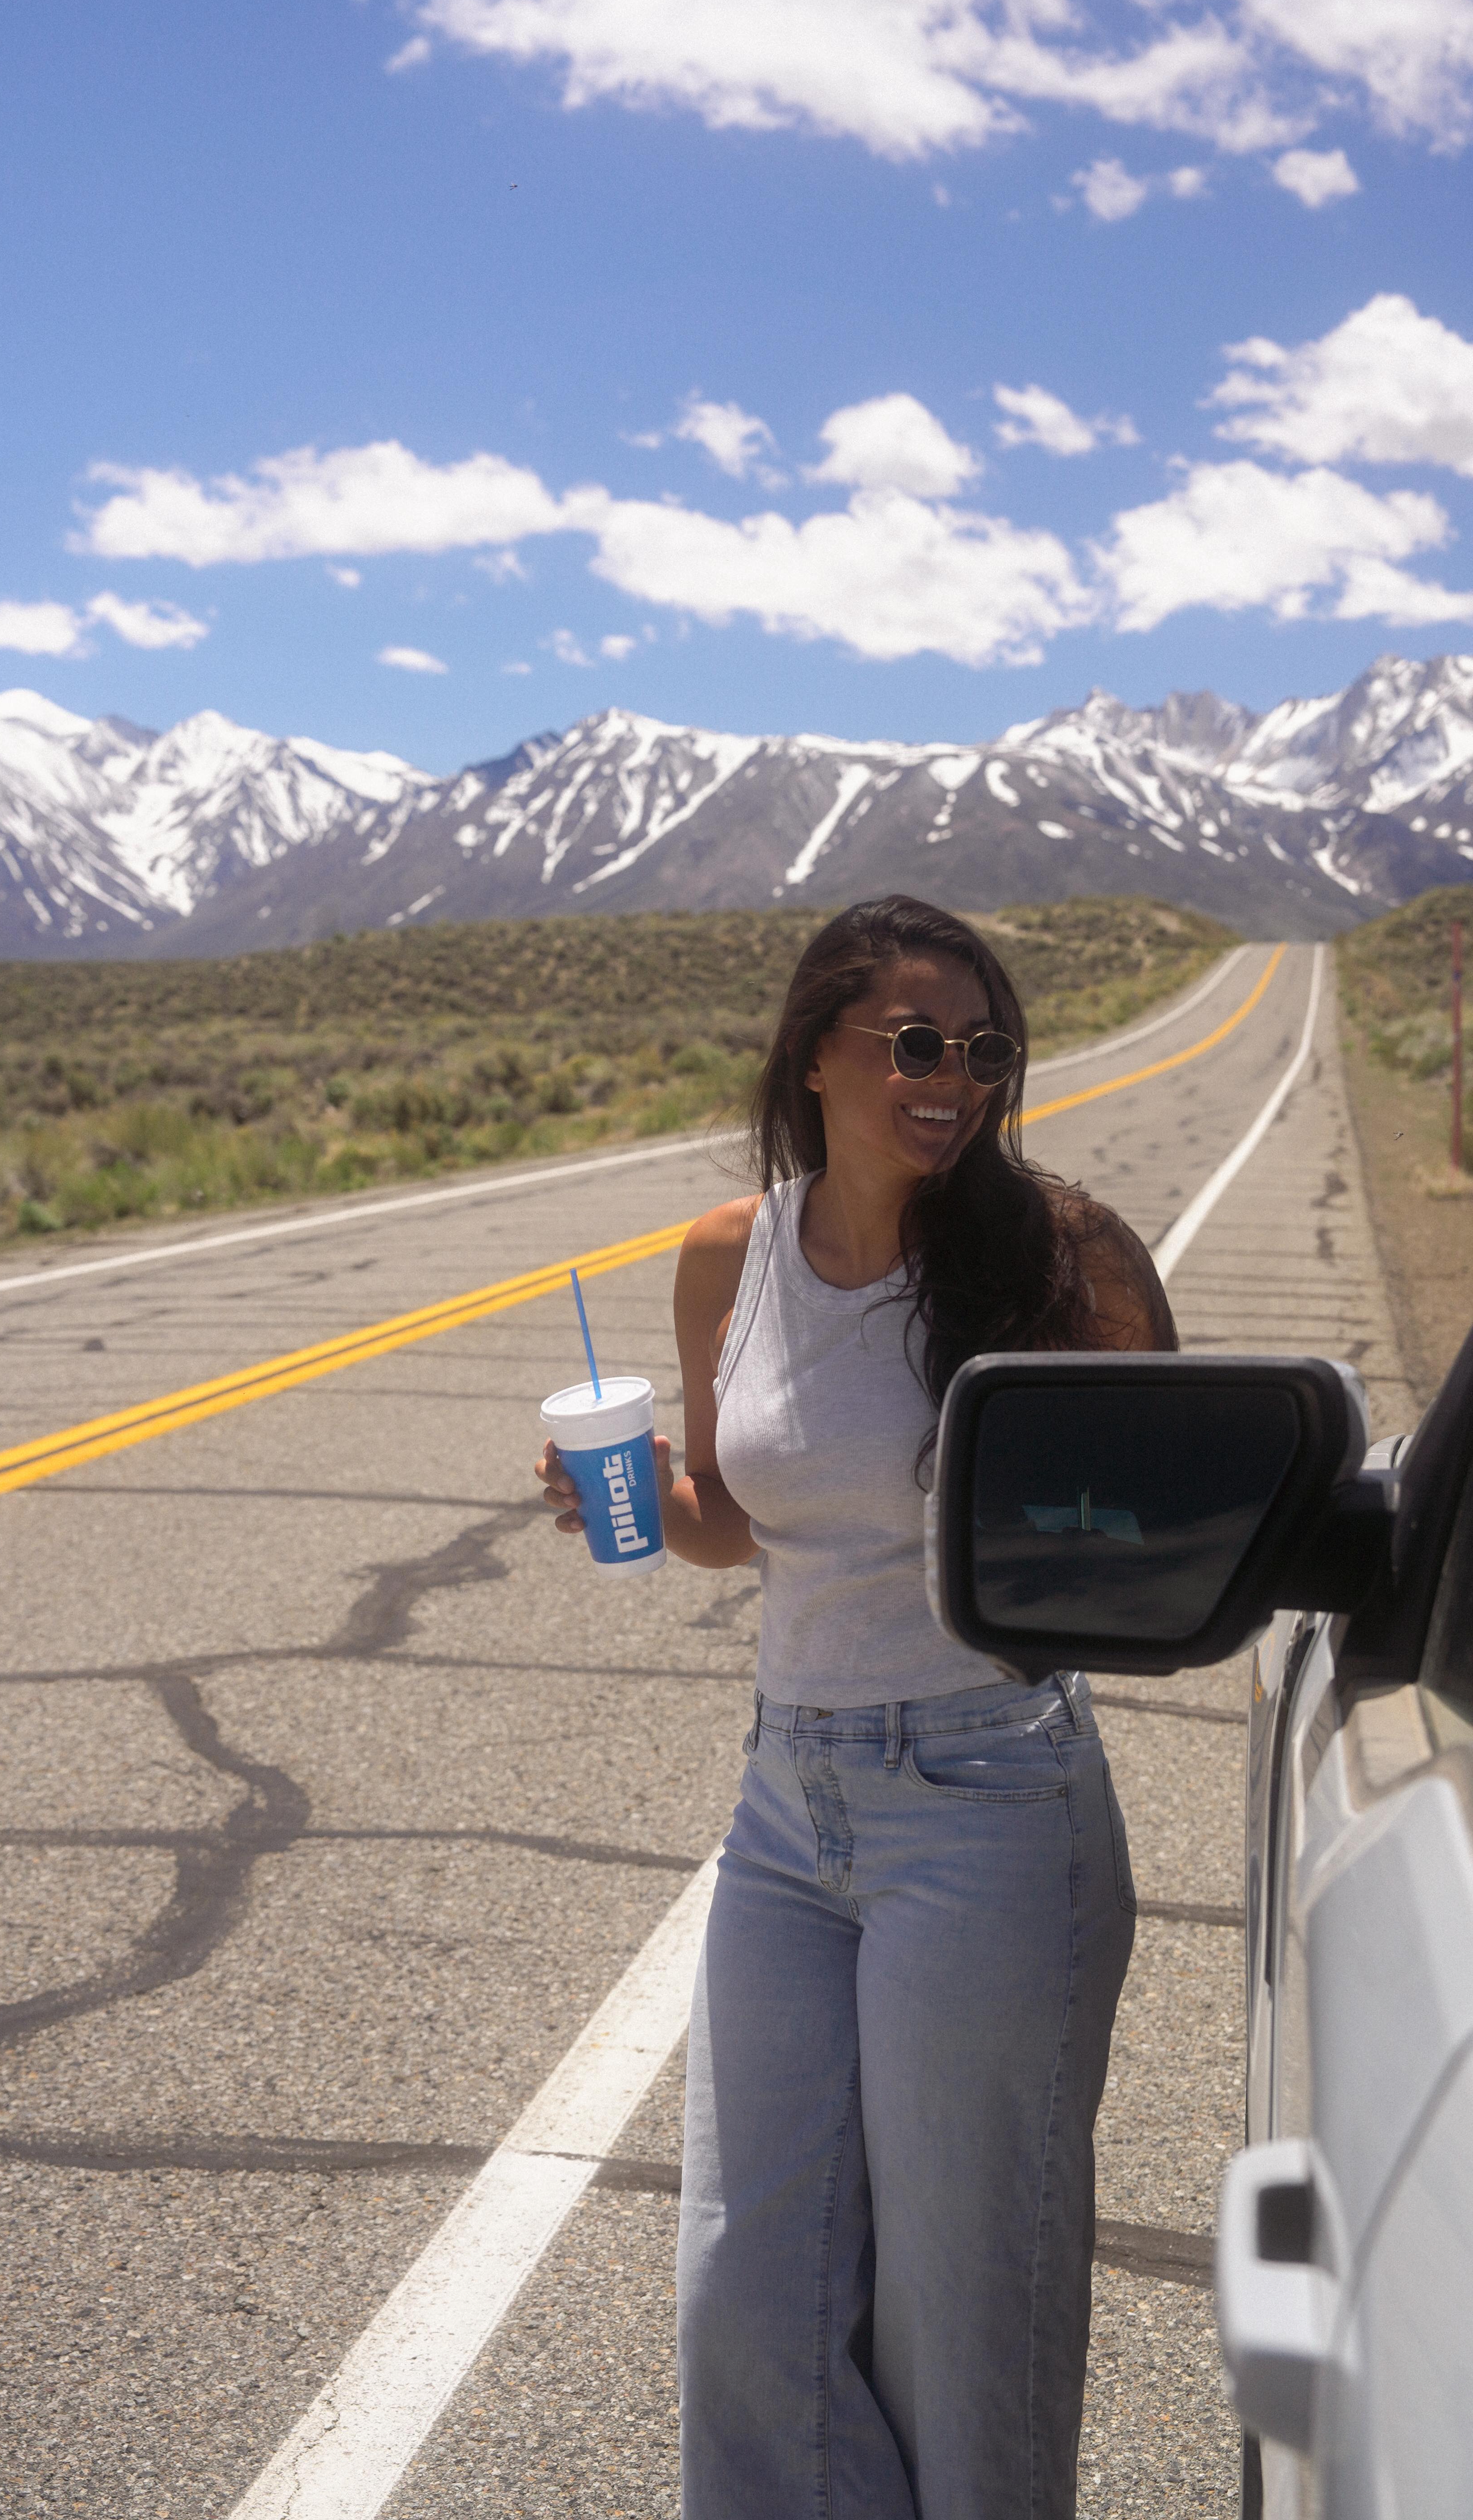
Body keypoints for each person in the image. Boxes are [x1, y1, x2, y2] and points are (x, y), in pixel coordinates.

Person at [536, 894, 1174, 2519]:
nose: (952, 1079)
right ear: (817, 1054)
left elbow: (1164, 1509)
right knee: (746, 2298)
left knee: (964, 2311)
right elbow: (735, 1522)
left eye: (982, 1050)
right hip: (786, 1807)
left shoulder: (1060, 1255)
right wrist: (626, 1494)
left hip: (991, 1795)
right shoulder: (727, 1258)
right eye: (916, 1043)